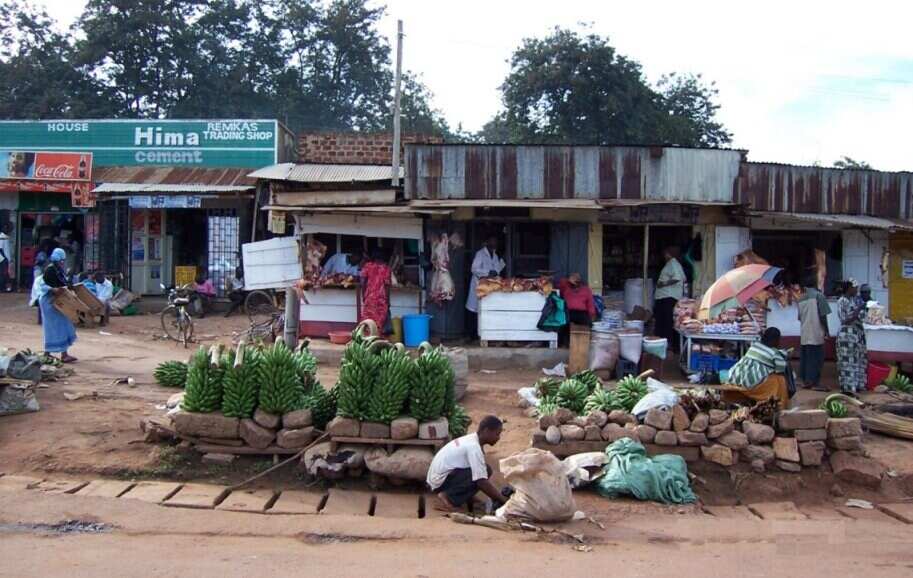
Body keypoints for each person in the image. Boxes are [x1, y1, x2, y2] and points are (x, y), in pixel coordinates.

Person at [427, 415, 505, 513]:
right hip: (440, 483)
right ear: (486, 431)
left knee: (484, 469)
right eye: (497, 434)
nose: (498, 438)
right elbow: (481, 482)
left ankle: (462, 496)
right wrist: (502, 500)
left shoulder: (472, 438)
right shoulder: (474, 447)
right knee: (482, 474)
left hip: (437, 479)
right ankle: (446, 497)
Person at [724, 328, 792, 409]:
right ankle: (779, 405)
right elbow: (780, 370)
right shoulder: (775, 353)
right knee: (779, 379)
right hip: (750, 384)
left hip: (734, 378)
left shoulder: (754, 346)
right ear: (777, 340)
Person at [37, 248, 77, 363]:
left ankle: (62, 353)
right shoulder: (50, 270)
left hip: (58, 301)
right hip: (49, 302)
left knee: (63, 325)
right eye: (61, 260)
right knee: (52, 327)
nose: (63, 263)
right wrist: (53, 290)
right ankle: (49, 353)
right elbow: (42, 286)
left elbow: (63, 283)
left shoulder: (58, 270)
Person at [465, 236, 506, 333]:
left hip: (489, 286)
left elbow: (496, 270)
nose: (495, 242)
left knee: (485, 309)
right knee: (474, 310)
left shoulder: (495, 255)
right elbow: (474, 269)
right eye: (493, 240)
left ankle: (483, 332)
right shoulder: (480, 254)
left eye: (496, 241)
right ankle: (472, 334)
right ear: (487, 242)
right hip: (478, 284)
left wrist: (497, 270)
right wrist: (488, 272)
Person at [797, 273, 830, 391]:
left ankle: (806, 381)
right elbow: (823, 316)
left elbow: (799, 318)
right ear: (816, 284)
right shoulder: (818, 296)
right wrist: (827, 330)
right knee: (816, 358)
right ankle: (814, 383)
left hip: (805, 332)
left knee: (806, 358)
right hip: (816, 332)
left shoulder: (800, 299)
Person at [836, 280, 867, 395]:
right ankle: (847, 388)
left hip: (855, 336)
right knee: (846, 363)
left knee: (855, 361)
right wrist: (858, 310)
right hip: (846, 336)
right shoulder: (841, 301)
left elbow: (861, 317)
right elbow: (844, 319)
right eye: (855, 288)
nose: (857, 290)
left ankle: (855, 386)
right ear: (849, 288)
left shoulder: (854, 300)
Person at [654, 246, 686, 352]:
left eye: (665, 254)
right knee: (668, 321)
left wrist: (662, 284)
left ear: (669, 254)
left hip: (667, 297)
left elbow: (677, 278)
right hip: (668, 297)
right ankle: (670, 345)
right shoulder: (675, 264)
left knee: (666, 322)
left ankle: (666, 345)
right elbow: (683, 278)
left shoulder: (673, 263)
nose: (664, 256)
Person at [358, 249, 392, 332]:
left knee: (366, 323)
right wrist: (388, 301)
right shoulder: (386, 268)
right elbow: (387, 287)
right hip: (381, 301)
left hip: (369, 299)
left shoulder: (367, 266)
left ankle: (366, 341)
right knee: (379, 324)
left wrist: (364, 297)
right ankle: (377, 341)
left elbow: (363, 283)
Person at [0, 225, 10, 292]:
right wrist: (4, 258)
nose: (6, 229)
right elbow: (1, 249)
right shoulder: (2, 236)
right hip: (3, 258)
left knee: (4, 273)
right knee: (3, 273)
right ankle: (2, 287)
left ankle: (3, 287)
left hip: (4, 258)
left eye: (7, 228)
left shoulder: (5, 236)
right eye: (5, 228)